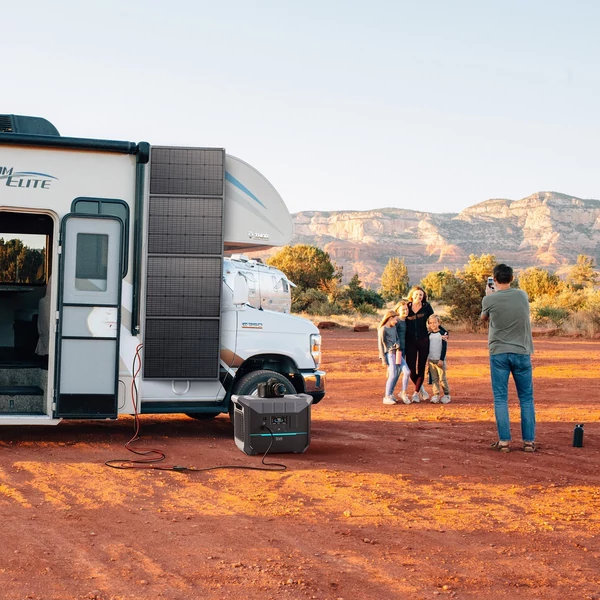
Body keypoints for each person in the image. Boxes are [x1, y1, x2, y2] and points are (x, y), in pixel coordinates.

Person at [481, 264, 536, 453]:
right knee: (526, 398)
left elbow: (483, 318)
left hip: (499, 352)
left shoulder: (489, 299)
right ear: (512, 278)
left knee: (501, 398)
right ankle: (528, 442)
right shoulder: (522, 295)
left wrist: (489, 296)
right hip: (521, 351)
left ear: (494, 280)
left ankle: (504, 441)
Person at [405, 286, 434, 403]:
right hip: (409, 341)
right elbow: (399, 319)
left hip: (423, 341)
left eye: (421, 295)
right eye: (416, 295)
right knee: (410, 370)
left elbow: (434, 321)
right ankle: (421, 387)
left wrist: (443, 332)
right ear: (411, 296)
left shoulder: (427, 307)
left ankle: (416, 393)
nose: (418, 297)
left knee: (421, 367)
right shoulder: (406, 307)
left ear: (423, 296)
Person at [377, 310, 401, 405]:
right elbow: (380, 345)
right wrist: (383, 359)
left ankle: (390, 394)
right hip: (389, 354)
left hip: (397, 352)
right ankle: (386, 396)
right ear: (390, 318)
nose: (396, 321)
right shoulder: (382, 329)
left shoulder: (394, 327)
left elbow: (397, 338)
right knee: (393, 374)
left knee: (398, 371)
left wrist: (398, 344)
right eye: (395, 319)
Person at [426, 314, 451, 404]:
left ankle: (447, 394)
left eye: (435, 322)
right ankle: (436, 394)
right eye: (431, 323)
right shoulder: (429, 334)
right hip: (431, 360)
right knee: (434, 379)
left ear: (439, 323)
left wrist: (441, 359)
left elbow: (444, 348)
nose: (433, 325)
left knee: (442, 378)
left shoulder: (442, 334)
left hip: (439, 360)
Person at [393, 300, 412, 404]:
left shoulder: (407, 320)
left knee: (399, 372)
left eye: (406, 309)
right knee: (401, 372)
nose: (405, 311)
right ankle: (401, 393)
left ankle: (394, 393)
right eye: (403, 309)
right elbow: (392, 335)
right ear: (398, 310)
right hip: (398, 351)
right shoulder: (396, 321)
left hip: (406, 350)